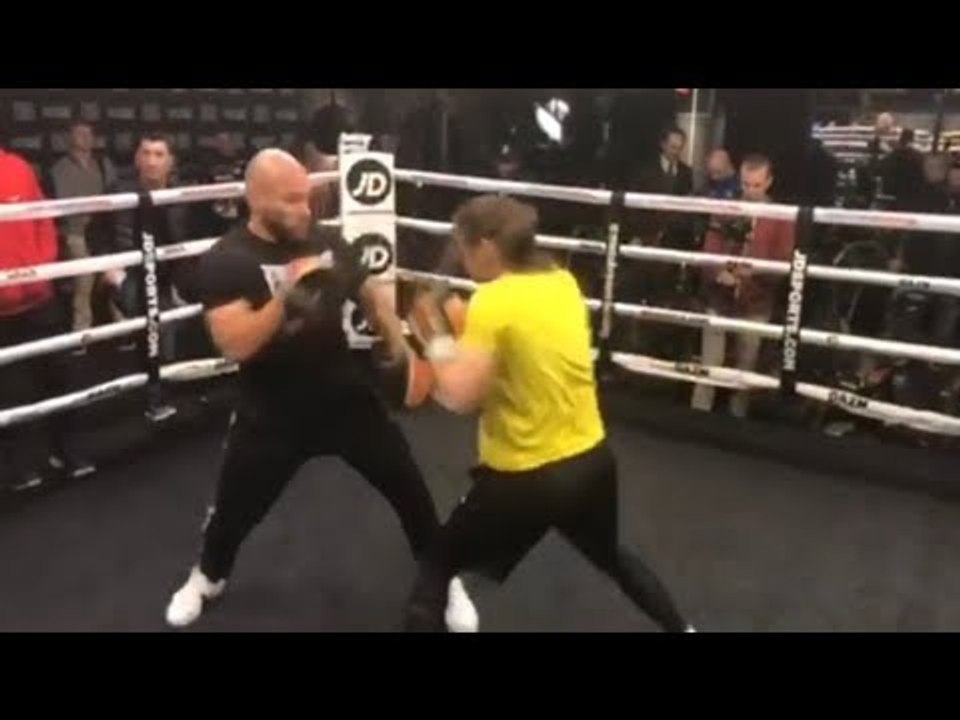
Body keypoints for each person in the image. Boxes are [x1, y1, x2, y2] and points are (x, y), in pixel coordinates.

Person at [165, 149, 477, 631]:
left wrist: (396, 343)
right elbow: (236, 344)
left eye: (307, 197)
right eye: (292, 200)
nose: (306, 209)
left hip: (342, 397)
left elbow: (367, 291)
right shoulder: (228, 261)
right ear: (259, 201)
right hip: (271, 411)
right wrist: (288, 294)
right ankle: (206, 577)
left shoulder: (326, 240)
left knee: (408, 487)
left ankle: (442, 577)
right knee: (233, 508)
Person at [403, 195, 694, 633]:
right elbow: (526, 360)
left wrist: (436, 340)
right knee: (611, 557)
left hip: (526, 477)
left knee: (436, 561)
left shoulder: (495, 301)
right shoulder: (563, 282)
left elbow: (460, 398)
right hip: (591, 461)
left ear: (486, 245)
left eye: (465, 250)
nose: (462, 261)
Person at [0, 142, 95, 489]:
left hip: (38, 297)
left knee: (59, 376)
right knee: (7, 391)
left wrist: (41, 268)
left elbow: (42, 219)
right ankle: (17, 465)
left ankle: (66, 451)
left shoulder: (18, 168)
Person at [49, 121, 117, 333]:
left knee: (116, 278)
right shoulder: (58, 169)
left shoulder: (104, 164)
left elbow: (116, 195)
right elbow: (58, 206)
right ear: (70, 137)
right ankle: (81, 332)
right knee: (84, 282)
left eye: (89, 134)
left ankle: (125, 329)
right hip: (76, 233)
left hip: (104, 233)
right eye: (80, 134)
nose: (86, 138)